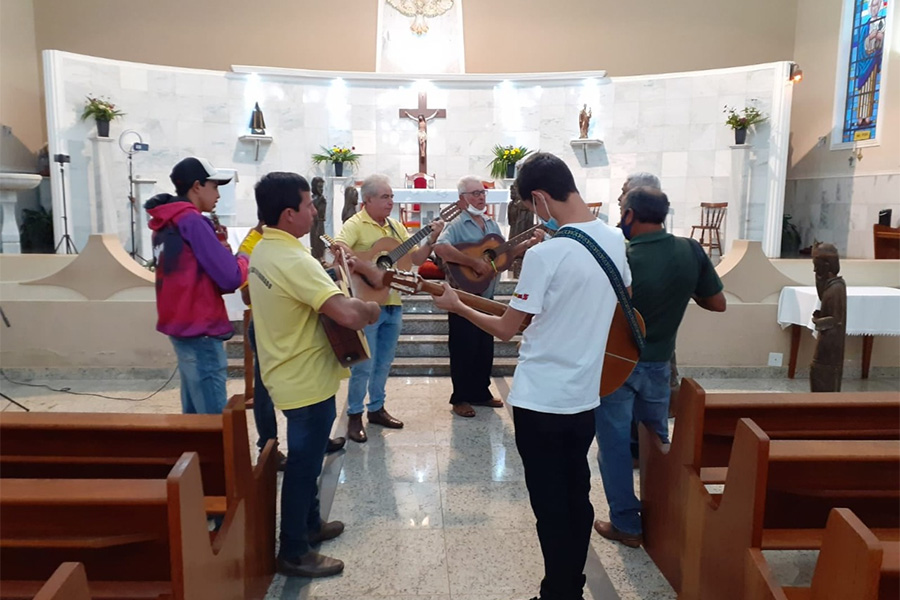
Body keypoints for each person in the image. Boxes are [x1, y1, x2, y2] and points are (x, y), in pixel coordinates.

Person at [433, 152, 628, 600]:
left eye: (530, 204)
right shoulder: (614, 241)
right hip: (584, 397)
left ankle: (556, 592)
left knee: (550, 506)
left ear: (540, 197)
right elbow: (618, 301)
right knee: (576, 496)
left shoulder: (548, 254)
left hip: (541, 400)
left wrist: (457, 304)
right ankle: (570, 587)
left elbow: (505, 330)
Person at [248, 171, 381, 578]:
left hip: (285, 369)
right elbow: (343, 311)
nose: (314, 210)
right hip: (303, 378)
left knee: (309, 458)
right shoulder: (291, 258)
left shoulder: (263, 249)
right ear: (289, 214)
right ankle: (293, 550)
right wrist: (371, 308)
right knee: (305, 466)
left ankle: (310, 525)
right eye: (308, 205)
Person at [593, 186, 726, 548]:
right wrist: (683, 289)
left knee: (615, 445)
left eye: (622, 208)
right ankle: (663, 517)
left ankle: (627, 523)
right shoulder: (690, 251)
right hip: (660, 365)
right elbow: (717, 303)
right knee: (657, 441)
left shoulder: (622, 256)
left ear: (631, 214)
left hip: (617, 367)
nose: (621, 215)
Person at [333, 173, 444, 443]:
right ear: (367, 200)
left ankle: (377, 408)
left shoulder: (396, 227)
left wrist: (431, 239)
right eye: (385, 197)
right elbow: (338, 250)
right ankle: (354, 414)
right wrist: (366, 267)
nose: (390, 201)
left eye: (392, 196)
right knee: (364, 365)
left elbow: (415, 258)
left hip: (393, 303)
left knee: (383, 363)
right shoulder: (356, 224)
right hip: (367, 304)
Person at [237, 222, 346, 468]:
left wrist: (333, 271)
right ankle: (268, 447)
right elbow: (247, 293)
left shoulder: (288, 244)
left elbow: (299, 281)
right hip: (269, 324)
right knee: (266, 389)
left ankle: (316, 439)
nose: (312, 213)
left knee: (312, 383)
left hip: (294, 322)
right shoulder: (256, 244)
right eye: (306, 206)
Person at [145, 156, 248, 415]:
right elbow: (230, 278)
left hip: (180, 325)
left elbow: (194, 274)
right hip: (201, 327)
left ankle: (195, 456)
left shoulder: (163, 223)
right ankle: (212, 457)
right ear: (196, 186)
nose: (218, 195)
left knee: (193, 413)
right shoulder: (192, 221)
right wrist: (244, 259)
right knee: (214, 421)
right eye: (214, 187)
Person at [433, 175, 541, 418]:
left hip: (487, 297)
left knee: (483, 347)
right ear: (462, 198)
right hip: (462, 297)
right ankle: (460, 397)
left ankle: (480, 392)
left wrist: (524, 246)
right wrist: (473, 262)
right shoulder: (456, 223)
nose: (481, 197)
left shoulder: (491, 225)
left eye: (483, 193)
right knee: (463, 348)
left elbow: (502, 256)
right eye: (475, 193)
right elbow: (440, 248)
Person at [810, 243, 846, 392]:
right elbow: (821, 293)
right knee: (818, 373)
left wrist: (818, 321)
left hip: (830, 347)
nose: (814, 270)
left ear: (827, 265)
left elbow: (836, 319)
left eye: (817, 266)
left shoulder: (836, 288)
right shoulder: (830, 286)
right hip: (826, 344)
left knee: (824, 377)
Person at [310, 176, 327, 260]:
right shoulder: (312, 198)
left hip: (319, 223)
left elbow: (321, 214)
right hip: (313, 224)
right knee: (313, 243)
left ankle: (320, 258)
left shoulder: (322, 199)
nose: (321, 189)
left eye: (322, 187)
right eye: (319, 187)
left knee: (319, 243)